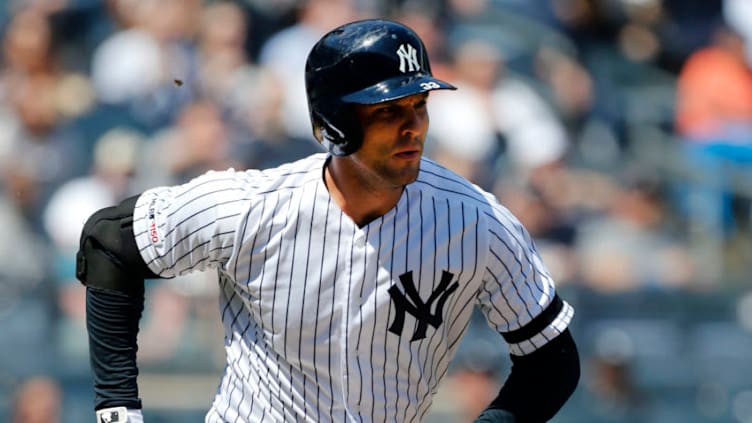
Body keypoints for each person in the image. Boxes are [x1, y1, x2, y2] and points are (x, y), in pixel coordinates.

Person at [75, 19, 579, 423]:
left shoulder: (477, 221)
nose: (412, 127)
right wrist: (117, 409)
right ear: (333, 123)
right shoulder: (256, 206)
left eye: (419, 105)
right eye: (386, 111)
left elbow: (551, 361)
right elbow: (107, 242)